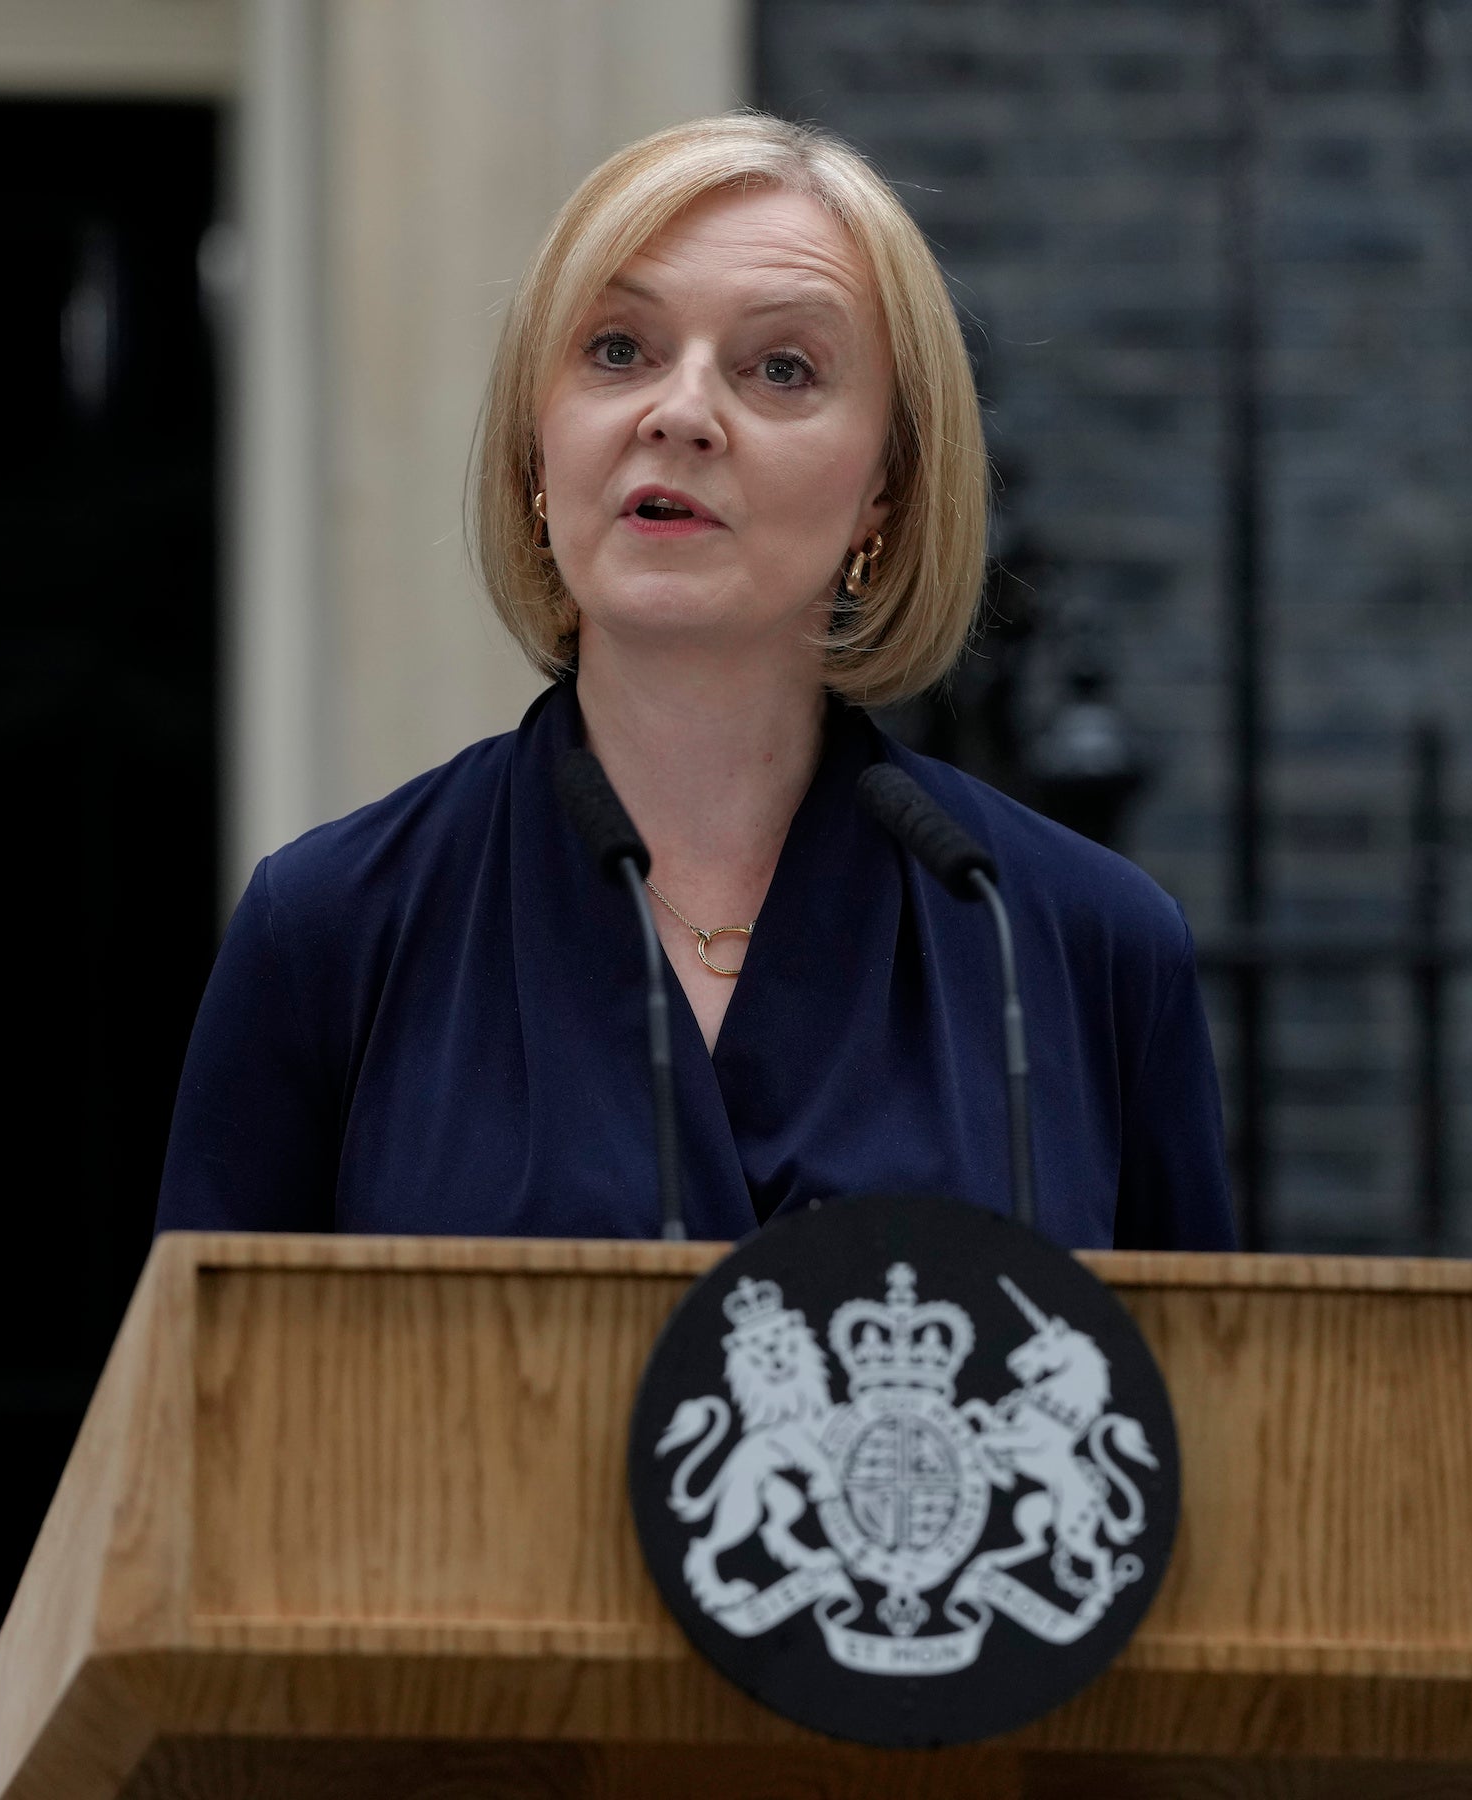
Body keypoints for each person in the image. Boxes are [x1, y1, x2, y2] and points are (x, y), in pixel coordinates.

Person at [155, 114, 1235, 1250]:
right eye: (619, 349)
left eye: (781, 367)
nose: (679, 412)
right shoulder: (332, 930)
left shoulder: (1075, 943)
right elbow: (212, 1412)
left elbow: (1191, 1413)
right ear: (538, 446)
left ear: (886, 492)